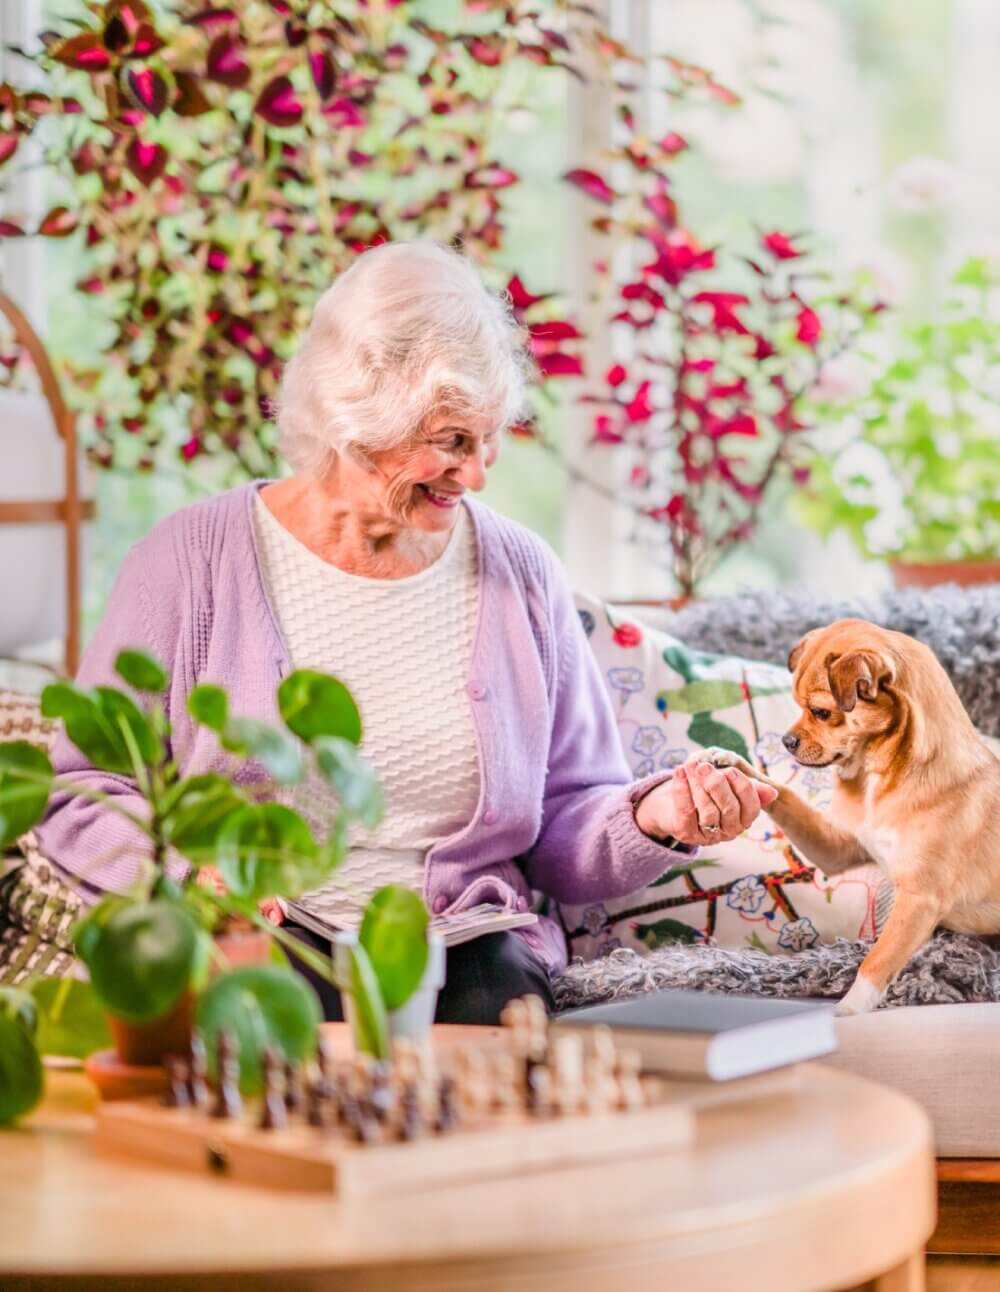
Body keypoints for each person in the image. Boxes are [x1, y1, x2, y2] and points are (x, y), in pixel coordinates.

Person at [35, 241, 776, 1023]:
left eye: (489, 439)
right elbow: (83, 795)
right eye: (453, 440)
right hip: (254, 933)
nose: (479, 472)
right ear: (357, 418)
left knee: (490, 1057)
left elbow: (568, 818)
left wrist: (655, 817)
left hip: (466, 945)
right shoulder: (188, 562)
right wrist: (182, 878)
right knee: (271, 1034)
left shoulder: (520, 572)